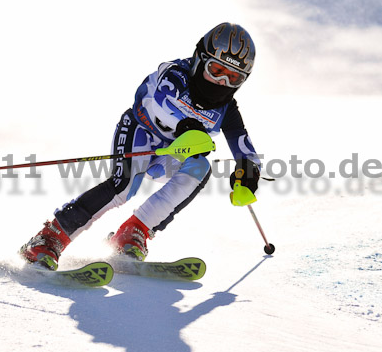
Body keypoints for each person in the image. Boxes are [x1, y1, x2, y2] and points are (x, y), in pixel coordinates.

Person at [20, 22, 261, 270]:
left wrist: (249, 171)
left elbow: (243, 144)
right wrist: (186, 126)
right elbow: (161, 101)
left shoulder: (226, 108)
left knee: (200, 167)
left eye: (233, 77)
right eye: (216, 69)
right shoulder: (176, 74)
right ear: (200, 59)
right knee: (123, 187)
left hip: (169, 155)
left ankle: (134, 231)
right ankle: (49, 238)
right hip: (141, 133)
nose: (221, 82)